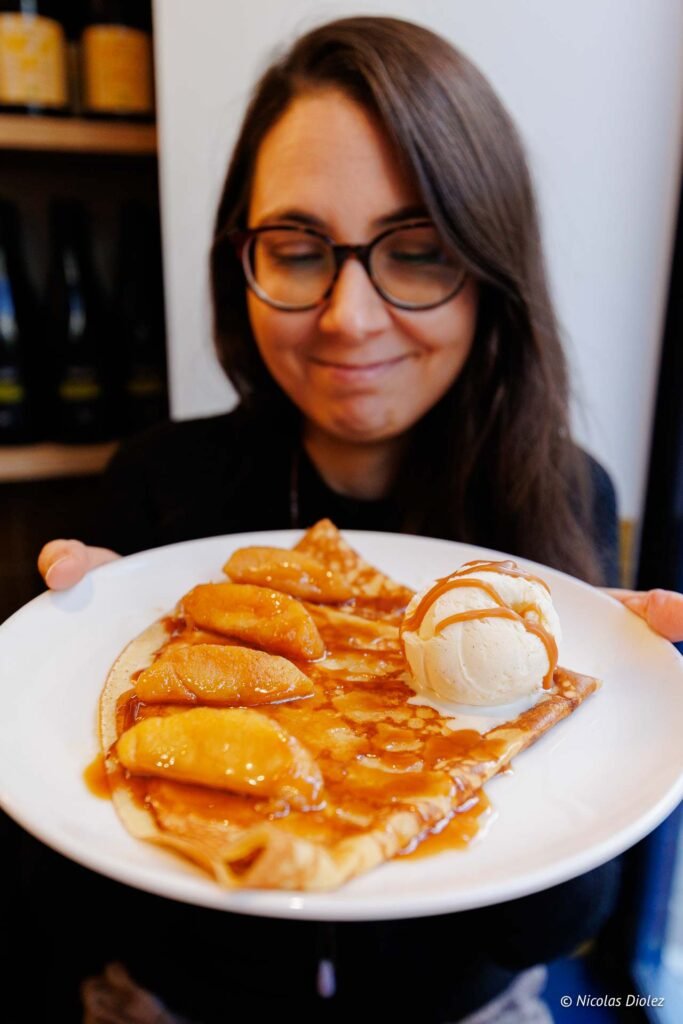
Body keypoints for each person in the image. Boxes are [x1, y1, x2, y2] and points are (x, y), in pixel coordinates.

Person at [34, 16, 682, 1024]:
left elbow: (551, 930)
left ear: (491, 266)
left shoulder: (561, 491)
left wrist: (598, 727)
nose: (348, 316)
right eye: (297, 250)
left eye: (415, 252)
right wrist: (73, 661)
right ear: (239, 259)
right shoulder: (158, 482)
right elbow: (76, 901)